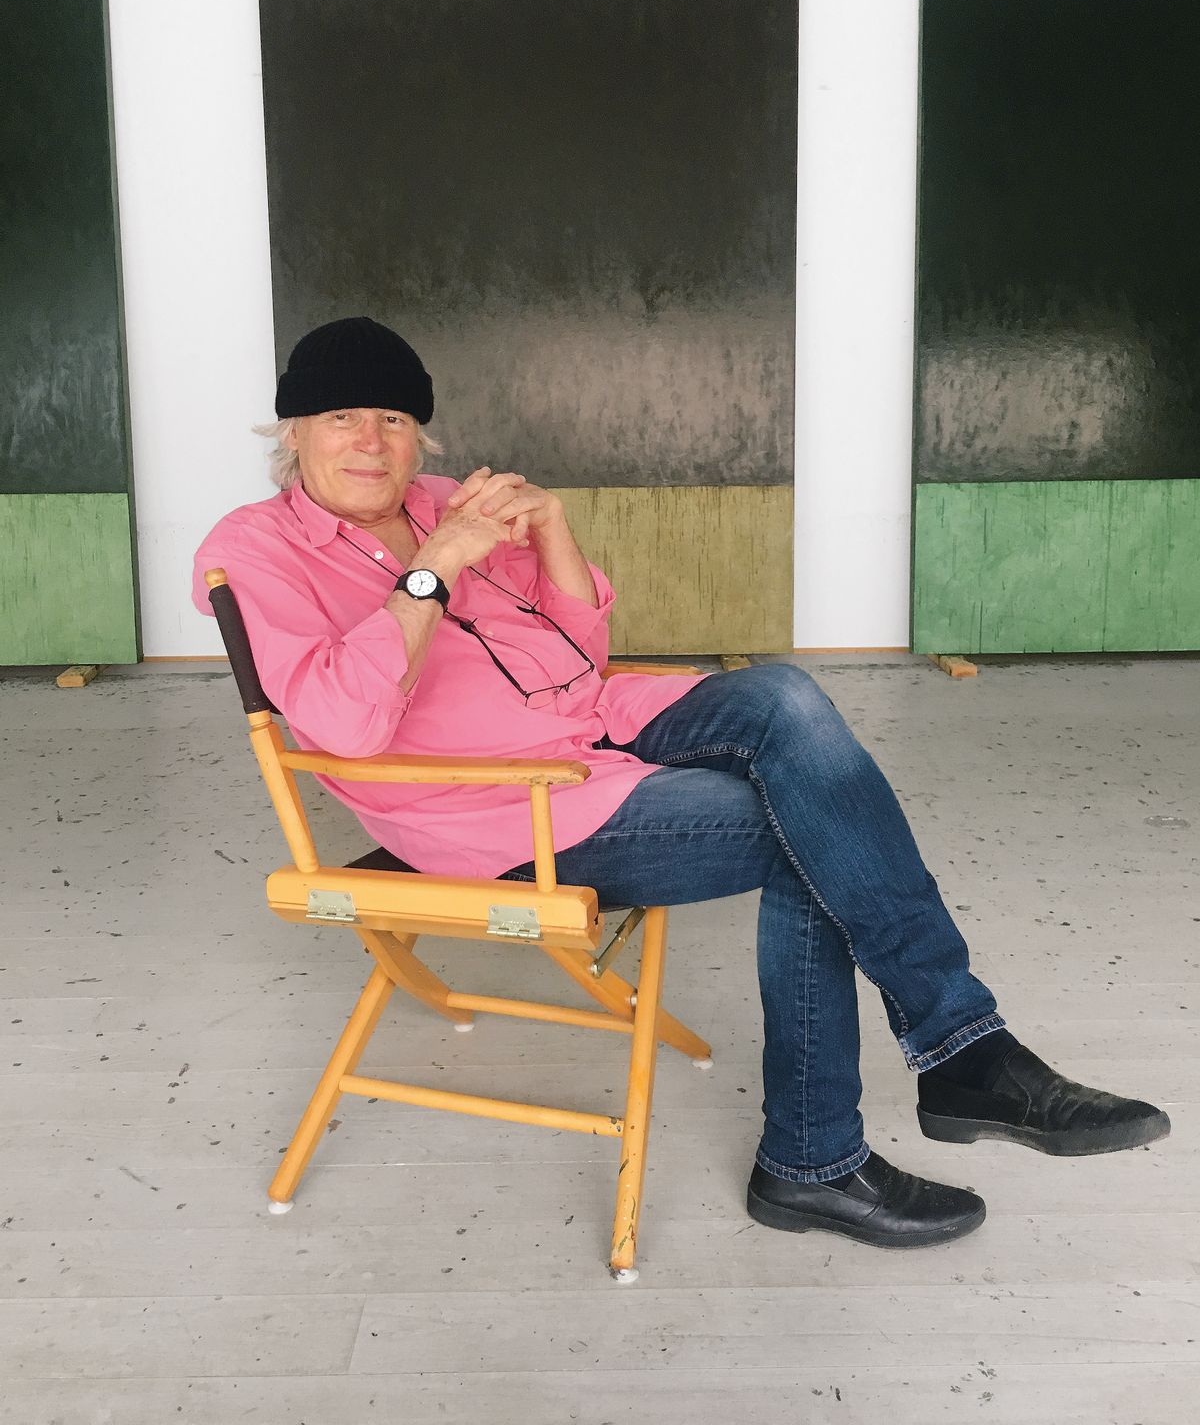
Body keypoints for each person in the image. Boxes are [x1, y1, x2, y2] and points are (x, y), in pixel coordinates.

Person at [193, 317, 1170, 1250]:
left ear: (420, 435)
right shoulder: (252, 552)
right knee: (806, 824)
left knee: (784, 695)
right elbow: (349, 722)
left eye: (395, 419)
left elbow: (579, 654)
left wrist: (555, 532)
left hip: (592, 729)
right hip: (501, 808)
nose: (372, 440)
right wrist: (435, 569)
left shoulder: (441, 500)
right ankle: (841, 1140)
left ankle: (948, 1063)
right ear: (294, 430)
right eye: (342, 417)